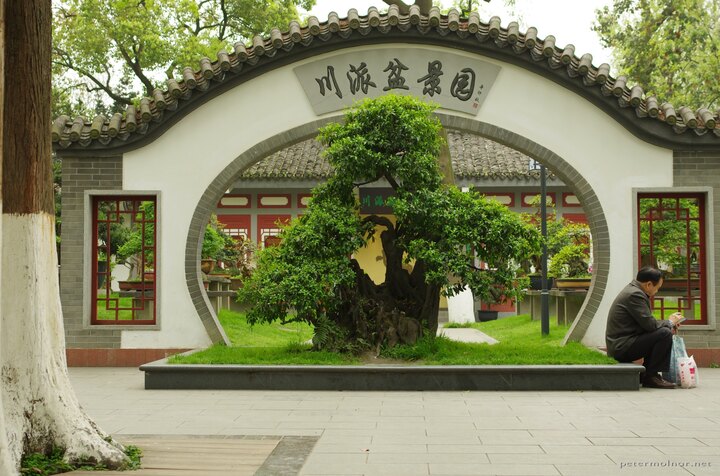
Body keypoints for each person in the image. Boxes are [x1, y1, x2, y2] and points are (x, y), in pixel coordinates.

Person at [606, 266, 684, 389]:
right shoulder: (635, 294)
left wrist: (669, 323)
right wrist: (669, 322)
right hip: (621, 347)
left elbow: (647, 324)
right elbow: (650, 325)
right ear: (648, 284)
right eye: (657, 288)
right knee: (664, 333)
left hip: (623, 343)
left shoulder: (633, 290)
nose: (657, 291)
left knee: (663, 331)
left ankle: (648, 374)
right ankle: (651, 376)